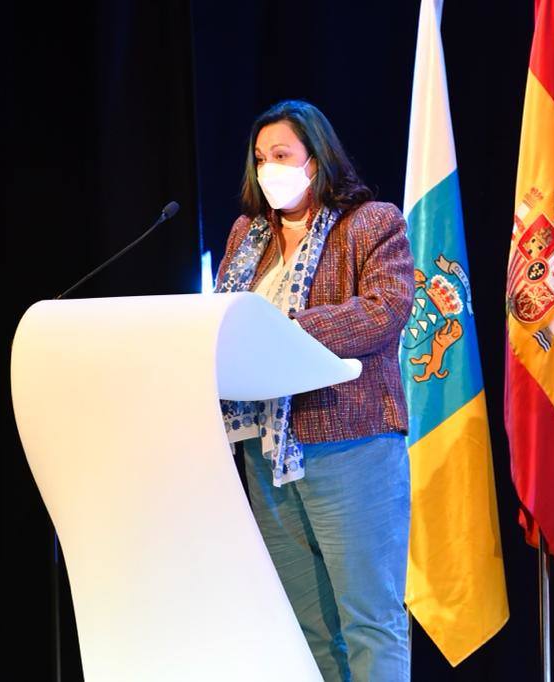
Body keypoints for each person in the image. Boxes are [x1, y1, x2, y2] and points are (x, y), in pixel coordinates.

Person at [214, 99, 415, 682]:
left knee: (369, 621)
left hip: (350, 443)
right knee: (309, 627)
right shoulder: (247, 237)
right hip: (267, 452)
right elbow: (224, 322)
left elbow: (385, 310)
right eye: (259, 158)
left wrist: (283, 331)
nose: (267, 169)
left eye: (282, 155)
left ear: (316, 160)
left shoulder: (371, 224)